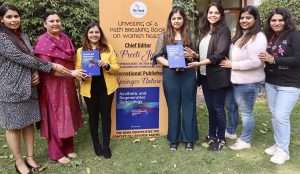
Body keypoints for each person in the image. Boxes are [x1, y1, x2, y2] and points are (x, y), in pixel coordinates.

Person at [0, 4, 83, 174]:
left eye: (58, 20)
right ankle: (27, 159)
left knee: (37, 121)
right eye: (9, 17)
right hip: (24, 86)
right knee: (20, 125)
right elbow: (21, 58)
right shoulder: (6, 38)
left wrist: (34, 72)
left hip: (37, 85)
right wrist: (59, 69)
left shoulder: (23, 36)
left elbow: (30, 59)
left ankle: (33, 156)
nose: (55, 23)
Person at [34, 11, 83, 164]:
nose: (55, 23)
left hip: (67, 83)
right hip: (52, 86)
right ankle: (56, 152)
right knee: (55, 118)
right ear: (45, 24)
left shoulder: (65, 38)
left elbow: (72, 59)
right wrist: (71, 73)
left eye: (57, 20)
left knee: (69, 115)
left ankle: (68, 148)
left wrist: (77, 75)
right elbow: (47, 68)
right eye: (51, 21)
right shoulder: (42, 41)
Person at [220, 6, 267, 150]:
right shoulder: (241, 35)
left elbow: (256, 61)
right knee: (230, 106)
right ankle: (231, 131)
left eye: (248, 17)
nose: (244, 20)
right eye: (242, 18)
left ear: (255, 19)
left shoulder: (258, 37)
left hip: (248, 82)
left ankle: (245, 140)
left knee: (246, 112)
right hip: (234, 80)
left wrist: (232, 64)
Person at [152, 7, 198, 151]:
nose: (176, 21)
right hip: (170, 75)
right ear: (170, 20)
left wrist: (192, 55)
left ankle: (189, 139)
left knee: (189, 105)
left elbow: (197, 56)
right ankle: (174, 139)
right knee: (173, 106)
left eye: (179, 18)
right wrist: (171, 64)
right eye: (174, 18)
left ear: (183, 19)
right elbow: (158, 56)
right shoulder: (164, 36)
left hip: (188, 74)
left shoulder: (191, 35)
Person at [187, 2, 231, 151]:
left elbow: (219, 55)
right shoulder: (205, 32)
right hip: (205, 76)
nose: (213, 15)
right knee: (210, 108)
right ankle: (212, 135)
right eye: (210, 12)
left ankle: (221, 139)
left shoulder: (224, 31)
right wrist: (196, 55)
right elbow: (207, 54)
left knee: (218, 108)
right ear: (207, 15)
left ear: (221, 15)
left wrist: (197, 64)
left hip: (218, 76)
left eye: (216, 13)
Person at [258, 7, 300, 164]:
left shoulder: (295, 36)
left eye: (280, 20)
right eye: (273, 20)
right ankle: (278, 144)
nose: (276, 23)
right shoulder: (269, 36)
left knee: (282, 116)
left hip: (289, 83)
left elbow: (297, 59)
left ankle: (284, 151)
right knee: (275, 115)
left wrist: (273, 59)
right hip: (271, 82)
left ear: (286, 20)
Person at [75, 23, 119, 159]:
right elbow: (77, 69)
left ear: (100, 34)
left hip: (106, 89)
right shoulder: (81, 51)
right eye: (91, 32)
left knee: (106, 117)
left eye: (97, 32)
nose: (94, 35)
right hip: (89, 90)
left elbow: (116, 67)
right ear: (87, 35)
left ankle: (106, 145)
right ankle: (96, 145)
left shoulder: (108, 48)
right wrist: (82, 75)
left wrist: (107, 65)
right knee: (93, 118)